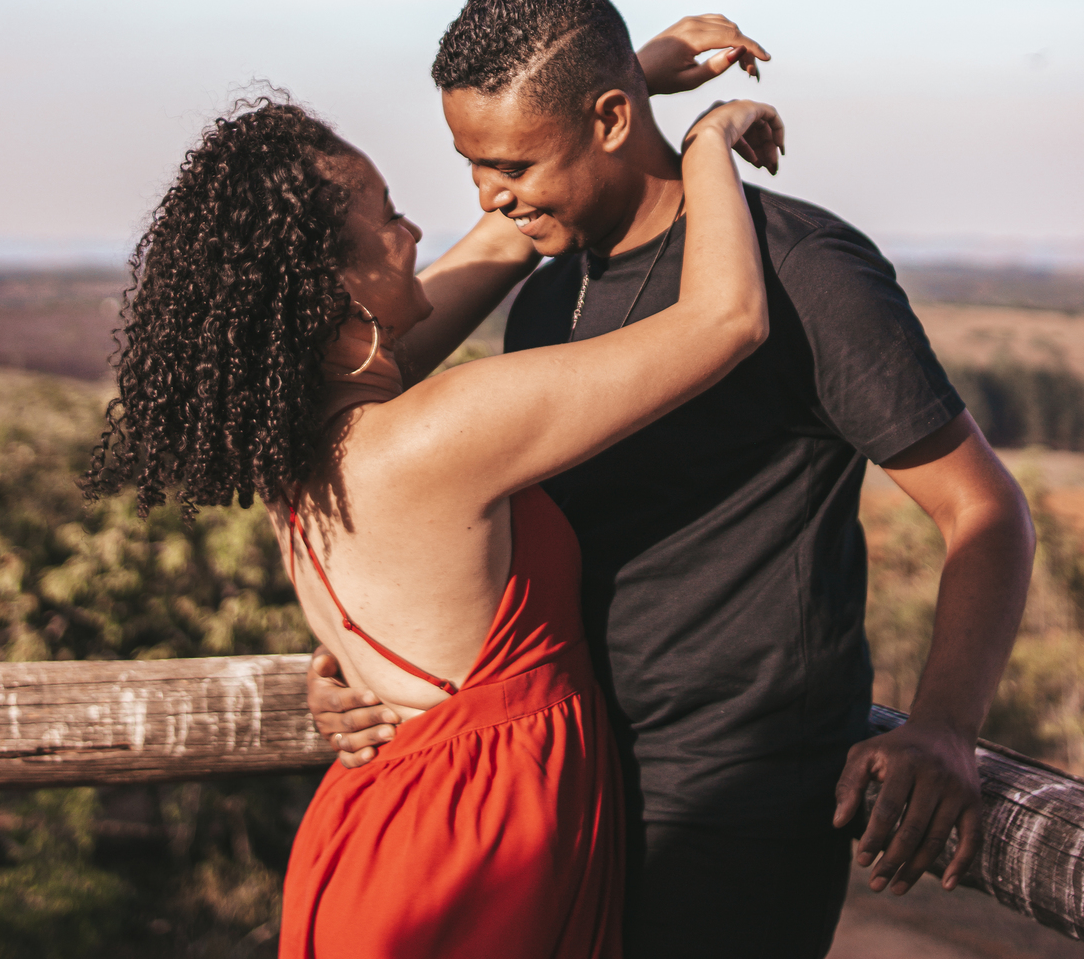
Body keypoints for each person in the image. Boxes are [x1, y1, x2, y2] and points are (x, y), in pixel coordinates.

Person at [310, 0, 1036, 959]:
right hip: (573, 791)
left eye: (513, 161)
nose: (487, 195)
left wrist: (947, 725)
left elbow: (984, 510)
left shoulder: (799, 268)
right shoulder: (546, 296)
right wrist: (379, 671)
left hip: (735, 801)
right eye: (471, 163)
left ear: (611, 116)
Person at [84, 64, 786, 958]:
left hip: (392, 830)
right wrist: (707, 141)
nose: (416, 229)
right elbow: (727, 320)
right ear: (332, 287)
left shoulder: (298, 439)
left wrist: (616, 87)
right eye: (388, 216)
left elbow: (505, 240)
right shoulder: (431, 435)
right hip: (471, 850)